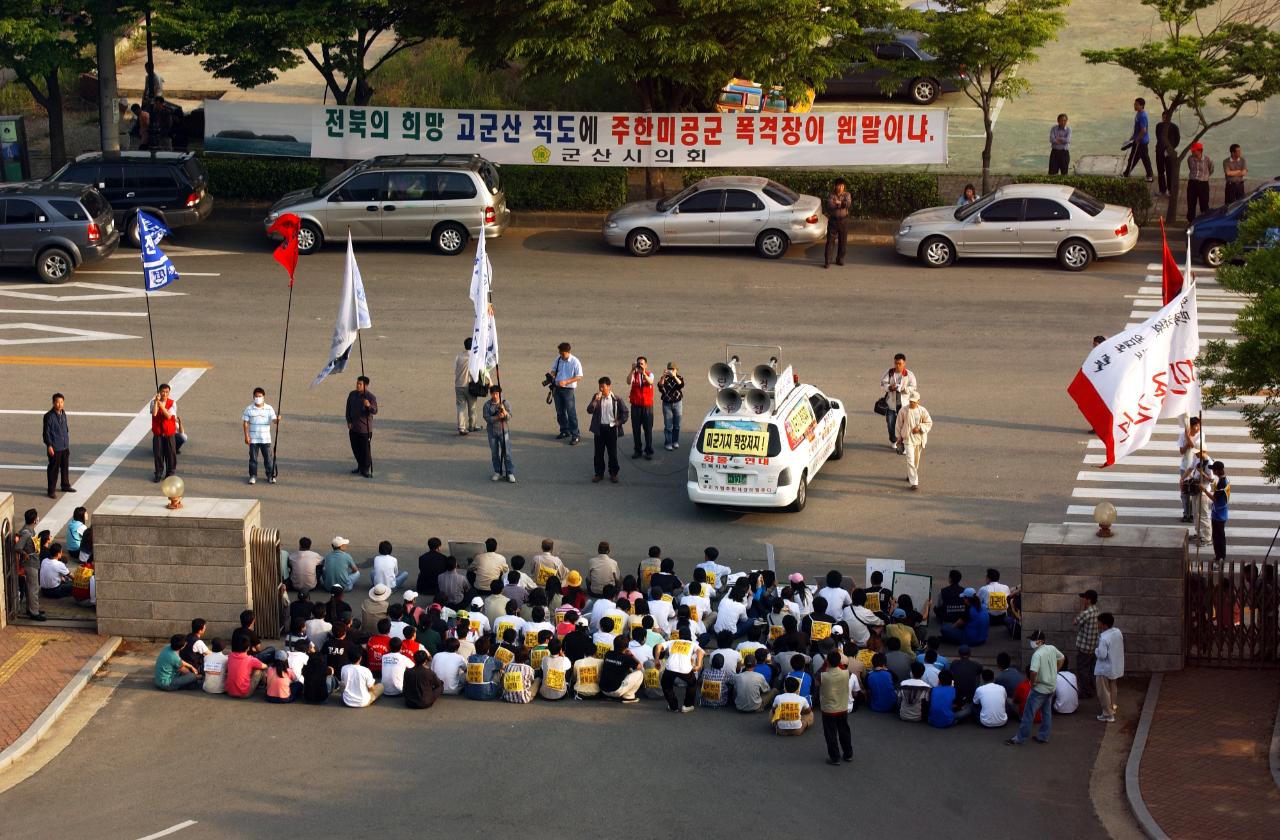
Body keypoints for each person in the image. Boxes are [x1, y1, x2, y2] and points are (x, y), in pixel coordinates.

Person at [1006, 630, 1064, 745]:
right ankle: (1043, 736)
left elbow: (1033, 672)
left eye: (1034, 640)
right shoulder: (1051, 648)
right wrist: (1055, 671)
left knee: (1028, 714)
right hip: (1051, 687)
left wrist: (1032, 683)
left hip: (1040, 689)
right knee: (1046, 713)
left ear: (1040, 641)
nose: (1031, 642)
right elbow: (1061, 658)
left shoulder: (1037, 654)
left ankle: (1020, 738)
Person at [587, 376, 630, 483]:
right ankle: (599, 473)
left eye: (603, 387)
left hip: (611, 429)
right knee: (598, 453)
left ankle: (613, 473)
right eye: (600, 387)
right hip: (599, 429)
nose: (601, 389)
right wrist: (595, 401)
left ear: (609, 387)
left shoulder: (616, 399)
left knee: (612, 453)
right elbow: (589, 410)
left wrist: (619, 422)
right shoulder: (596, 397)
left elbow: (625, 412)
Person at [818, 651, 853, 764]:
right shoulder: (847, 673)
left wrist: (825, 665)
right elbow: (844, 669)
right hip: (842, 708)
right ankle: (848, 754)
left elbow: (816, 678)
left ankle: (835, 757)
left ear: (828, 661)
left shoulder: (823, 676)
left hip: (828, 710)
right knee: (844, 732)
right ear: (839, 662)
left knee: (830, 734)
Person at [894, 389, 932, 490]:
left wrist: (919, 427)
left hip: (919, 439)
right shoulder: (903, 410)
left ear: (918, 401)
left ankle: (909, 474)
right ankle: (914, 482)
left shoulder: (922, 411)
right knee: (910, 460)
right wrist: (898, 437)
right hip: (907, 439)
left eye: (914, 402)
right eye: (910, 401)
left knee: (915, 461)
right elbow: (898, 424)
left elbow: (929, 423)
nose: (912, 403)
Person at [240, 387, 278, 485]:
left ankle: (270, 476)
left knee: (268, 459)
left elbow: (274, 420)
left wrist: (278, 420)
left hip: (265, 439)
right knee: (253, 459)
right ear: (253, 397)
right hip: (253, 439)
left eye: (260, 396)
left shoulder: (269, 408)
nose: (258, 398)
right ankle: (253, 476)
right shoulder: (249, 409)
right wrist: (246, 436)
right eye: (256, 396)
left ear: (263, 397)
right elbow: (245, 423)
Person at [879, 353, 917, 449]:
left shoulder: (909, 374)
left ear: (904, 363)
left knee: (905, 426)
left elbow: (914, 387)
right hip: (891, 405)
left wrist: (905, 390)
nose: (897, 366)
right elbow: (882, 383)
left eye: (899, 363)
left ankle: (904, 443)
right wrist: (889, 387)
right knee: (891, 424)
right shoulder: (889, 372)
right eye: (895, 363)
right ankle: (893, 440)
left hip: (904, 405)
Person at [660, 627, 703, 712]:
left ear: (679, 635)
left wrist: (657, 659)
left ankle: (673, 706)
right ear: (689, 635)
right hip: (685, 669)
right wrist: (698, 665)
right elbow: (700, 651)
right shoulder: (692, 643)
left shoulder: (672, 641)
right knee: (692, 683)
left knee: (666, 684)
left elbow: (659, 646)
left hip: (670, 667)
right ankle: (687, 706)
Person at [549, 342, 583, 444]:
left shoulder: (575, 362)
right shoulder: (558, 359)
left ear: (567, 352)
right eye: (559, 352)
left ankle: (575, 434)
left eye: (562, 353)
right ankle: (564, 430)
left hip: (568, 390)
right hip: (557, 389)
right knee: (560, 412)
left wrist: (566, 382)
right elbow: (553, 369)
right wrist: (553, 374)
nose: (560, 354)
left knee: (571, 412)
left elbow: (579, 376)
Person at [345, 375, 378, 478]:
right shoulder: (352, 394)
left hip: (365, 429)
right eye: (357, 383)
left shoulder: (370, 397)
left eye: (360, 384)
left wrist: (369, 405)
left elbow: (375, 411)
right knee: (356, 449)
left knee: (365, 451)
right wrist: (349, 421)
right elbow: (348, 409)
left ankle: (366, 469)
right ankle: (360, 466)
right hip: (353, 428)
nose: (357, 385)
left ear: (366, 385)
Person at [1094, 612, 1125, 722]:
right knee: (1113, 689)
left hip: (1104, 669)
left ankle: (1107, 714)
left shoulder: (1104, 638)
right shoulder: (1117, 632)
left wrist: (1096, 650)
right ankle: (1112, 708)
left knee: (1104, 692)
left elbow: (1102, 655)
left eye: (1099, 622)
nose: (1097, 624)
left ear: (1104, 624)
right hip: (1114, 667)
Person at [455, 337, 489, 435]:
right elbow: (481, 370)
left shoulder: (458, 356)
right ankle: (472, 426)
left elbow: (455, 369)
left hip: (458, 385)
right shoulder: (474, 357)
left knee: (460, 407)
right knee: (472, 407)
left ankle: (461, 427)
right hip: (470, 386)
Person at [42, 392, 73, 499]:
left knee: (65, 467)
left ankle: (65, 485)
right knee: (53, 470)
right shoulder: (49, 416)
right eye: (57, 402)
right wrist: (49, 445)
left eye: (61, 402)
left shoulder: (63, 413)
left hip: (64, 446)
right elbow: (46, 432)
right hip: (55, 447)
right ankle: (51, 490)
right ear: (53, 403)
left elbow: (66, 428)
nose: (59, 404)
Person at [483, 385, 516, 482]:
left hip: (503, 431)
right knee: (494, 453)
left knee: (507, 453)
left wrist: (504, 412)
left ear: (500, 393)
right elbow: (487, 418)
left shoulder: (505, 403)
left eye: (497, 393)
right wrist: (497, 417)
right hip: (492, 432)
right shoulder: (487, 405)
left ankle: (510, 472)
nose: (495, 395)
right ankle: (498, 471)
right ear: (491, 394)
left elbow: (509, 417)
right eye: (493, 393)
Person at [1072, 590, 1100, 699]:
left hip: (1084, 647)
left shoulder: (1086, 613)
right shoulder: (1096, 610)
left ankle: (1085, 692)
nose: (1082, 600)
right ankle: (1092, 689)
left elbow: (1075, 622)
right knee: (1091, 670)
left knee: (1082, 670)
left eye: (1084, 598)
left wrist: (1082, 609)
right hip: (1093, 646)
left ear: (1088, 600)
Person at [600, 635, 644, 703]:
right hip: (616, 691)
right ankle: (628, 696)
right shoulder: (627, 658)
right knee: (640, 674)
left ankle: (610, 696)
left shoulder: (608, 653)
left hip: (603, 690)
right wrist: (631, 655)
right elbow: (640, 666)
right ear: (626, 647)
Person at [627, 356, 656, 460]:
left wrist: (643, 373)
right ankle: (637, 450)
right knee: (636, 430)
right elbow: (628, 381)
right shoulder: (634, 375)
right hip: (636, 406)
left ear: (646, 365)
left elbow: (650, 382)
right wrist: (632, 370)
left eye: (642, 364)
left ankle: (648, 450)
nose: (640, 365)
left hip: (647, 407)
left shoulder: (649, 374)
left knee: (648, 429)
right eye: (638, 363)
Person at [1178, 417, 1205, 523]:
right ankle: (1186, 514)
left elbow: (1196, 449)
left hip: (1196, 467)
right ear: (1191, 427)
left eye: (1199, 426)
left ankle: (1193, 514)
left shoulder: (1201, 435)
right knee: (1184, 493)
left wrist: (1188, 437)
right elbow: (1181, 451)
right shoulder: (1182, 435)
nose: (1198, 428)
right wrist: (1186, 441)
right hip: (1185, 467)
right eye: (1196, 426)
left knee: (1194, 492)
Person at [151, 383, 178, 482]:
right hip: (158, 433)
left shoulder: (172, 403)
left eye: (167, 392)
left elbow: (168, 416)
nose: (165, 394)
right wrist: (156, 403)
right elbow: (154, 413)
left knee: (171, 454)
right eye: (163, 391)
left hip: (169, 433)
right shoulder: (154, 402)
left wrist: (161, 406)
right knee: (158, 454)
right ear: (159, 392)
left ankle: (170, 473)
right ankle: (158, 473)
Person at [823, 177, 851, 268]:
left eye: (842, 186)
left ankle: (840, 259)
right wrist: (841, 204)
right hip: (833, 221)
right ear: (835, 186)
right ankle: (827, 261)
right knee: (830, 241)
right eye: (839, 186)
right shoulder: (831, 195)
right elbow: (830, 205)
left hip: (844, 221)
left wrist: (839, 203)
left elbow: (847, 204)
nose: (841, 187)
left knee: (843, 242)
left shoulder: (847, 194)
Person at [1122, 97, 1153, 181]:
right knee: (1143, 158)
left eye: (1136, 105)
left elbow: (1143, 130)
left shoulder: (1142, 116)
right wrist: (1133, 137)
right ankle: (1149, 176)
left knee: (1133, 158)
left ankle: (1126, 174)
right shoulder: (1138, 113)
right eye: (1134, 104)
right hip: (1140, 140)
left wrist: (1137, 139)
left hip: (1141, 142)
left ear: (1141, 106)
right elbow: (1137, 128)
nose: (1134, 106)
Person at [658, 362, 684, 451]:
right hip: (667, 404)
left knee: (677, 425)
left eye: (673, 369)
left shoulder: (679, 378)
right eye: (669, 369)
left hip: (677, 403)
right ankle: (668, 443)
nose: (671, 371)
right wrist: (664, 376)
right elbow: (660, 386)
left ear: (676, 370)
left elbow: (681, 385)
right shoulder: (664, 378)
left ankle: (675, 441)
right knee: (668, 425)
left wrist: (674, 376)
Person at [1185, 142, 1214, 223]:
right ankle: (1191, 222)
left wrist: (1205, 176)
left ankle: (1204, 221)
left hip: (1203, 184)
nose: (1192, 152)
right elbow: (1190, 168)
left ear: (1200, 151)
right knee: (1191, 203)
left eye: (1194, 151)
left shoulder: (1208, 160)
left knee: (1204, 204)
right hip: (1192, 183)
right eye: (1192, 151)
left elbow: (1211, 169)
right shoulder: (1190, 159)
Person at [1154, 110, 1181, 196]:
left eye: (1166, 117)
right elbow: (1158, 137)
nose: (1165, 119)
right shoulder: (1159, 126)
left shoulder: (1174, 127)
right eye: (1163, 117)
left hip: (1169, 153)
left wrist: (1171, 149)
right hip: (1160, 151)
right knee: (1160, 171)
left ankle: (1170, 189)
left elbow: (1177, 139)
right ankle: (1162, 190)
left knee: (1170, 171)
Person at [1208, 460, 1230, 563]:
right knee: (1217, 536)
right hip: (1219, 512)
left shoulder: (1222, 483)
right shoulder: (1224, 479)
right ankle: (1219, 555)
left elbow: (1214, 498)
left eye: (1213, 469)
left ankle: (1221, 557)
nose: (1212, 471)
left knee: (1219, 537)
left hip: (1219, 514)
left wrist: (1203, 490)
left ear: (1217, 470)